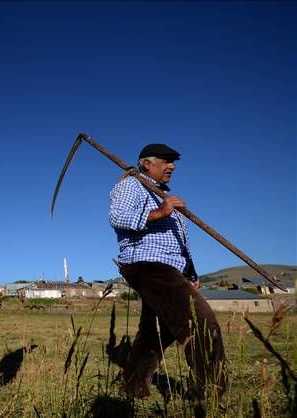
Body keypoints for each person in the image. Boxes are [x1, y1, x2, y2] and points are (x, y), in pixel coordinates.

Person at [108, 143, 226, 400]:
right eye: (166, 160)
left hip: (169, 269)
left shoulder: (164, 196)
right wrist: (161, 212)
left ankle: (132, 387)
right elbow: (118, 216)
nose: (172, 166)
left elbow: (177, 243)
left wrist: (190, 273)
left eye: (173, 162)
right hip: (147, 265)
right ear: (146, 164)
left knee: (155, 334)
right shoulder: (132, 185)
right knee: (202, 323)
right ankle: (211, 393)